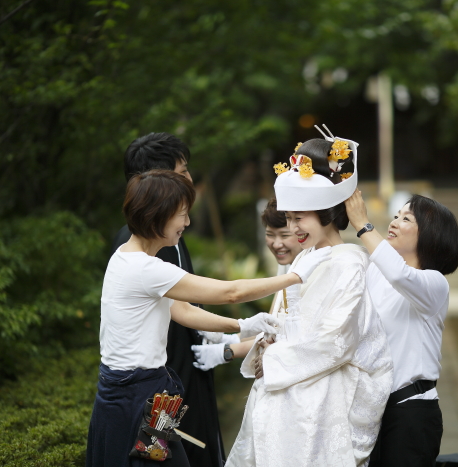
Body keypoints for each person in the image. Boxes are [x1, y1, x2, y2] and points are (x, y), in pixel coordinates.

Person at [87, 169, 331, 467]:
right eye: (182, 214)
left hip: (143, 393)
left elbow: (182, 310)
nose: (187, 223)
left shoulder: (127, 258)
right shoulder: (145, 269)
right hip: (135, 398)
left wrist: (240, 326)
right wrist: (295, 276)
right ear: (159, 215)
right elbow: (231, 293)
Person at [226, 128, 393, 467]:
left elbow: (335, 342)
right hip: (290, 383)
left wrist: (273, 359)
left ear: (326, 214)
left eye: (298, 218)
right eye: (289, 219)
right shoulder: (302, 258)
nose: (294, 228)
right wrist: (264, 346)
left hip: (323, 394)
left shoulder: (350, 262)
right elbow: (284, 320)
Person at [110, 132, 225, 466]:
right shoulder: (142, 245)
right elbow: (185, 309)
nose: (190, 179)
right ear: (159, 181)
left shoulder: (170, 230)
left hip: (184, 374)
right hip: (164, 390)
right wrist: (241, 325)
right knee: (176, 455)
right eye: (183, 171)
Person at [345, 190, 458, 467]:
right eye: (396, 215)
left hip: (412, 410)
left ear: (431, 235)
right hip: (370, 410)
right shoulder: (374, 271)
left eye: (406, 218)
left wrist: (363, 224)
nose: (394, 222)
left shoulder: (434, 284)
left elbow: (400, 274)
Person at [191, 198, 302, 371]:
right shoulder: (288, 266)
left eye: (285, 235)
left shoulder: (306, 271)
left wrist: (228, 349)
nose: (276, 244)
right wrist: (232, 339)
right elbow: (275, 325)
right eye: (270, 235)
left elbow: (295, 337)